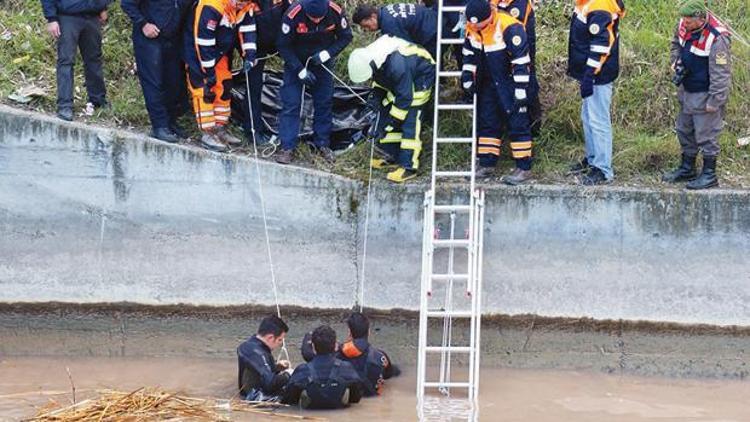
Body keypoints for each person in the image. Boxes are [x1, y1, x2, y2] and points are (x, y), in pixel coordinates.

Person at [461, 0, 533, 185]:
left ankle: (523, 167)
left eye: (481, 25)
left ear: (490, 17)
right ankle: (486, 163)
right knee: (487, 121)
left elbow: (521, 60)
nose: (477, 28)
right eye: (474, 25)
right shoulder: (472, 28)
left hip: (509, 82)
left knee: (517, 122)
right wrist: (468, 78)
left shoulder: (509, 25)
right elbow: (469, 55)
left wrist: (521, 90)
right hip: (487, 82)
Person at [662, 0, 732, 190]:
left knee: (707, 134)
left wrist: (715, 100)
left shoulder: (717, 38)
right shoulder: (684, 24)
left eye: (689, 22)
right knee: (684, 129)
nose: (684, 24)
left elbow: (721, 73)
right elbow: (676, 42)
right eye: (683, 20)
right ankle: (687, 168)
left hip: (705, 92)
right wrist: (675, 60)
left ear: (701, 19)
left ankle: (709, 174)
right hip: (686, 88)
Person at [348, 35, 435, 183]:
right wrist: (376, 98)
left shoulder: (397, 65)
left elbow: (405, 97)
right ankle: (390, 156)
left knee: (410, 121)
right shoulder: (372, 59)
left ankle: (409, 167)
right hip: (404, 79)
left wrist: (392, 122)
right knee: (386, 108)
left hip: (421, 76)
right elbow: (380, 78)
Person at [275, 0, 353, 165]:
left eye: (320, 18)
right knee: (291, 103)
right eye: (312, 18)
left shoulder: (335, 11)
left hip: (322, 62)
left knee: (324, 102)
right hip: (296, 62)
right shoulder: (293, 14)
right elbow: (282, 45)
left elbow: (346, 37)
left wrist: (328, 54)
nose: (316, 21)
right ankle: (287, 146)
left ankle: (322, 144)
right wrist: (299, 69)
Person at [184, 0, 257, 152]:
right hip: (198, 52)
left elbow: (247, 30)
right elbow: (203, 41)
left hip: (221, 51)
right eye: (238, 2)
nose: (240, 5)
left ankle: (219, 127)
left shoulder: (245, 7)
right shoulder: (211, 6)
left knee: (224, 87)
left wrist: (249, 56)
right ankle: (207, 132)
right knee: (204, 90)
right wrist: (208, 71)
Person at [567, 0, 625, 185]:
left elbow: (601, 44)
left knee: (598, 120)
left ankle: (602, 169)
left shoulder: (599, 5)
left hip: (597, 74)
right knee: (588, 117)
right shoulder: (586, 3)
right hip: (590, 72)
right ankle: (592, 160)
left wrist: (590, 75)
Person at [122, 0, 192, 143]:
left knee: (174, 81)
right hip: (150, 37)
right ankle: (159, 126)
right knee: (153, 83)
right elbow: (127, 4)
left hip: (174, 37)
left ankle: (170, 122)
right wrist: (143, 24)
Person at [41, 0, 112, 122]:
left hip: (92, 17)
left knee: (94, 59)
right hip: (67, 17)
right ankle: (65, 106)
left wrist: (103, 7)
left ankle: (98, 100)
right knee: (66, 61)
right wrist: (51, 18)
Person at [241, 0, 291, 145]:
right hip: (255, 46)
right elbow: (245, 28)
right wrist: (249, 55)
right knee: (253, 87)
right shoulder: (248, 3)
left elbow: (290, 14)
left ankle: (289, 131)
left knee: (293, 77)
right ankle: (253, 130)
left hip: (280, 41)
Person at [284, 325, 364, 409]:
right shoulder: (347, 369)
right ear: (335, 346)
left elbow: (289, 400)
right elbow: (356, 399)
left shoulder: (302, 370)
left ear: (313, 347)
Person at [492, 0, 541, 130]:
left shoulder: (520, 6)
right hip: (500, 45)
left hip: (519, 45)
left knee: (526, 77)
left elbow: (516, 29)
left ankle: (532, 123)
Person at [337, 312, 399, 396]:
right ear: (369, 332)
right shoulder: (381, 357)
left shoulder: (337, 355)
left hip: (349, 399)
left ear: (350, 333)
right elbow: (388, 375)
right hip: (373, 399)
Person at [237, 315, 292, 401]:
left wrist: (276, 367)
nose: (280, 344)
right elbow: (270, 383)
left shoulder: (252, 345)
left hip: (251, 392)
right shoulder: (257, 353)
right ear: (270, 337)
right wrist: (289, 374)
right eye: (280, 340)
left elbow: (259, 369)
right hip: (257, 398)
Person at [352, 3, 438, 58]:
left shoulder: (388, 25)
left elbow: (407, 48)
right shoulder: (385, 11)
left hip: (432, 31)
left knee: (430, 65)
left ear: (373, 16)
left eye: (366, 26)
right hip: (434, 19)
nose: (367, 30)